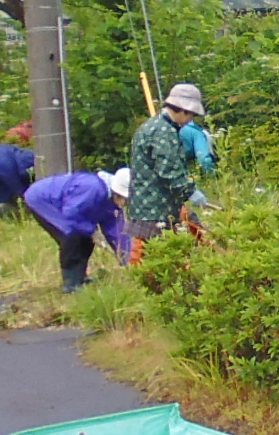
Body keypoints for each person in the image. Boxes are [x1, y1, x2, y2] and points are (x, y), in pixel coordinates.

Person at [22, 167, 131, 292]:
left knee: (86, 240)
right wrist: (92, 231)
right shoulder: (93, 188)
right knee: (72, 237)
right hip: (42, 201)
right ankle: (71, 284)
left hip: (68, 211)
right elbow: (71, 214)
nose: (125, 204)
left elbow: (117, 233)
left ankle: (80, 278)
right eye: (125, 199)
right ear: (117, 192)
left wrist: (128, 260)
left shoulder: (112, 204)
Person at [125, 83, 203, 247]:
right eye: (191, 115)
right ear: (183, 110)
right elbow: (169, 172)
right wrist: (191, 191)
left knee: (148, 258)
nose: (190, 120)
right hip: (156, 210)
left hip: (145, 207)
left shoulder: (150, 127)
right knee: (158, 259)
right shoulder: (164, 132)